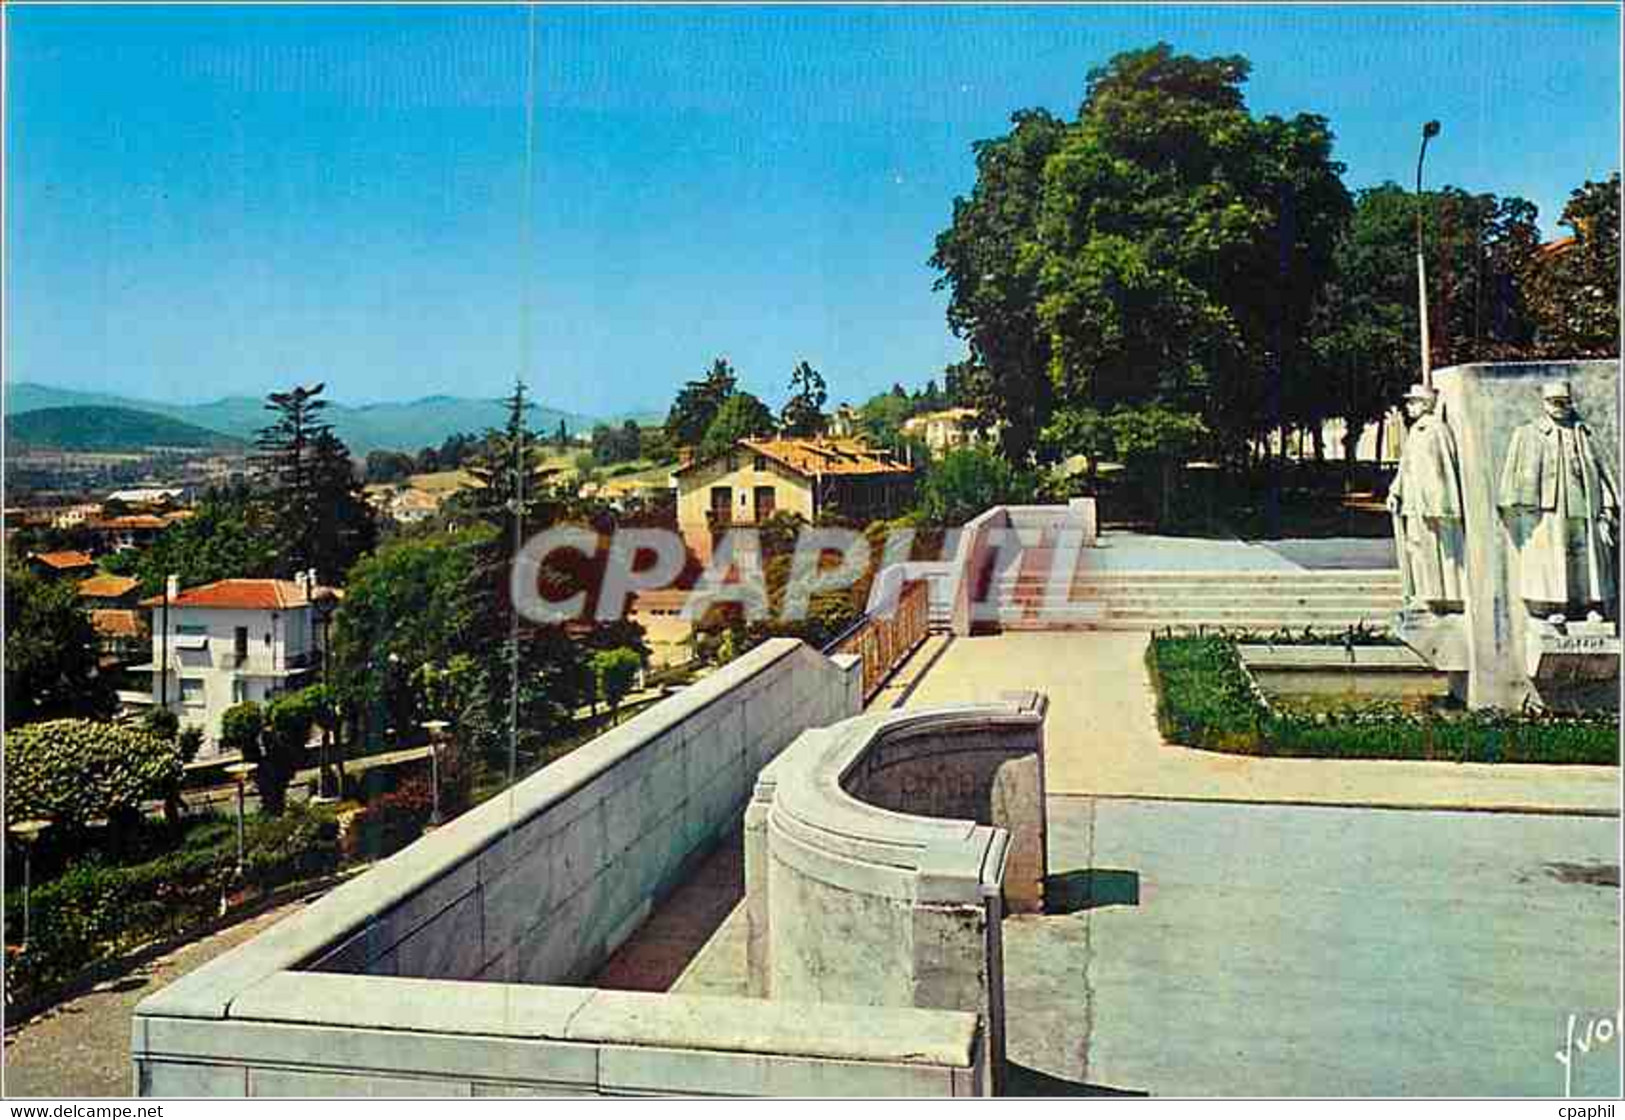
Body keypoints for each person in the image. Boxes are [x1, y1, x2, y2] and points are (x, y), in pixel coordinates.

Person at [1497, 380, 1618, 621]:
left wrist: (1607, 505)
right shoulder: (1529, 432)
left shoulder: (1583, 433)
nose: (1560, 406)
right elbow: (1514, 473)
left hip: (1584, 505)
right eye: (1554, 401)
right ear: (1544, 403)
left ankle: (1589, 604)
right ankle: (1555, 607)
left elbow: (1602, 471)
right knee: (1552, 557)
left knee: (1586, 558)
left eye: (1564, 401)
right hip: (1548, 509)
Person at [1387, 384, 1465, 611]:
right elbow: (1406, 466)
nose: (1408, 406)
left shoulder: (1436, 430)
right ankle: (1423, 592)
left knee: (1434, 549)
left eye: (1413, 402)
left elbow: (1446, 469)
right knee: (1416, 548)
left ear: (1425, 404)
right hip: (1414, 503)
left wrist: (1442, 502)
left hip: (1431, 504)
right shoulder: (1416, 431)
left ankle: (1437, 594)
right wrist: (1396, 491)